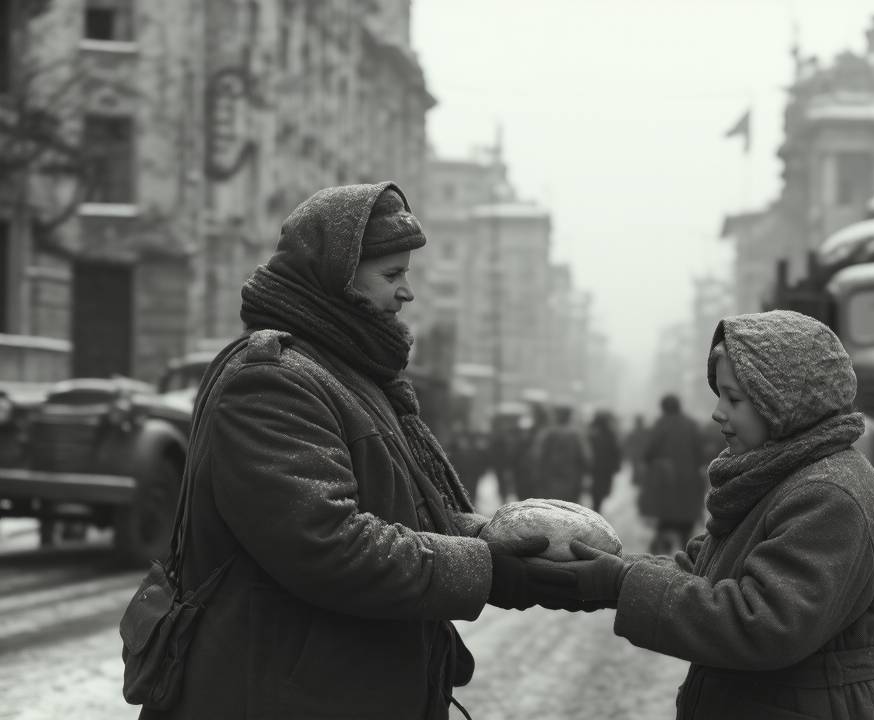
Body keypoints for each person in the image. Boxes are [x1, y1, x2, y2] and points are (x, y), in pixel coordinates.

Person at [149, 183, 573, 720]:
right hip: (279, 696)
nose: (406, 293)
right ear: (337, 280)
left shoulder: (347, 373)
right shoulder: (272, 382)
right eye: (391, 275)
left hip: (337, 686)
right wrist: (486, 567)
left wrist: (496, 540)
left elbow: (400, 512)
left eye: (406, 275)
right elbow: (327, 545)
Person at [555, 310, 874, 718]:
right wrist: (604, 576)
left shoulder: (827, 493)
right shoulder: (780, 473)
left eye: (735, 399)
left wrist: (622, 583)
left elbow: (764, 623)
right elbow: (702, 571)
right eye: (719, 395)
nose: (717, 412)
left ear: (783, 402)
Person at [640, 394, 708, 554]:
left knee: (666, 520)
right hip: (689, 480)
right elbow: (701, 454)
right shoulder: (691, 424)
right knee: (685, 522)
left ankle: (661, 555)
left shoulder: (661, 424)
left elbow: (649, 452)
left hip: (667, 482)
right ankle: (687, 554)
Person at [531, 405, 592, 502]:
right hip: (572, 480)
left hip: (549, 480)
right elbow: (586, 458)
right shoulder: (576, 435)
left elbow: (537, 457)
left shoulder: (547, 434)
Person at [587, 410, 623, 512]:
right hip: (605, 469)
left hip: (596, 468)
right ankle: (597, 508)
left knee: (596, 491)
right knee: (600, 491)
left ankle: (596, 508)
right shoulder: (610, 435)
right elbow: (616, 452)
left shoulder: (593, 434)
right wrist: (616, 466)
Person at [624, 414, 649, 486]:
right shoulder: (645, 432)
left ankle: (640, 483)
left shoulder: (634, 433)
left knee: (640, 472)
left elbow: (628, 445)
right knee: (640, 472)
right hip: (640, 457)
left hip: (640, 457)